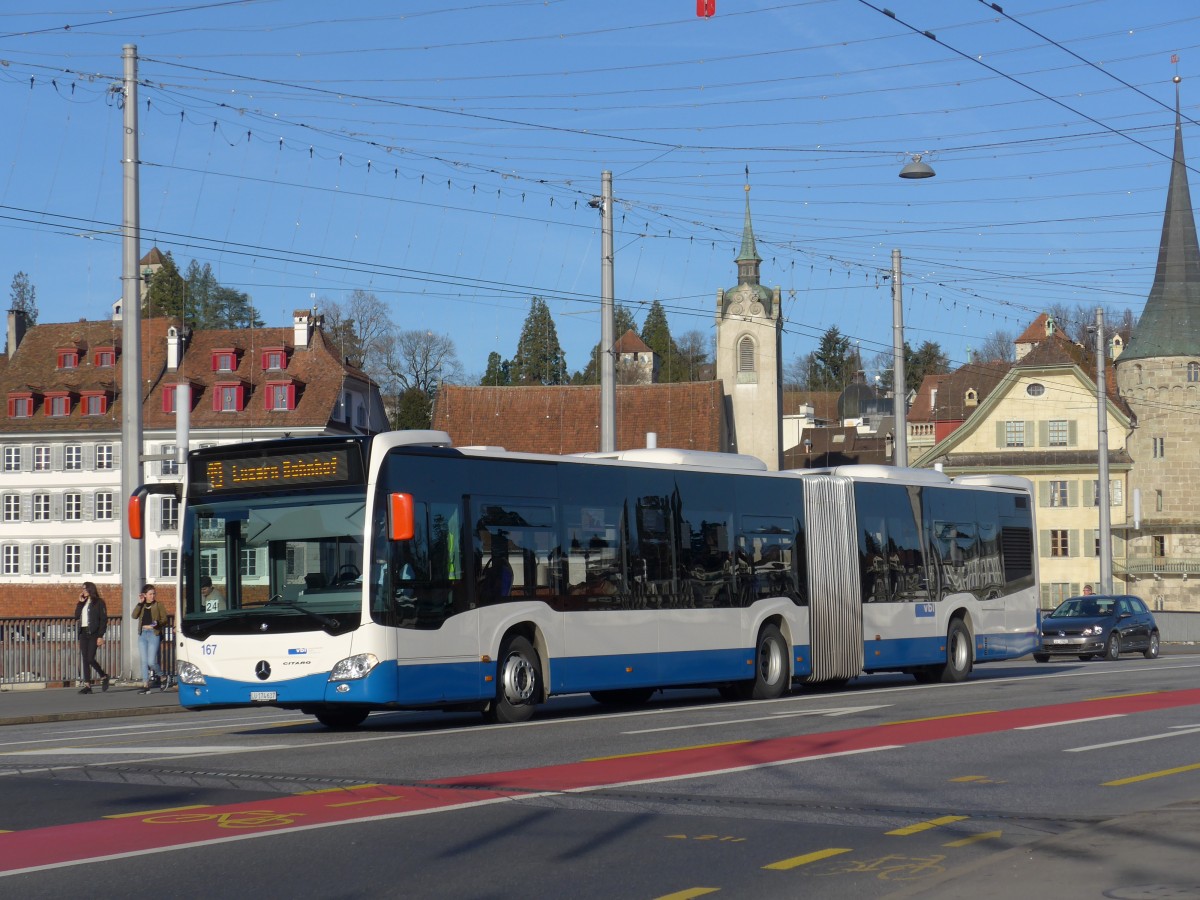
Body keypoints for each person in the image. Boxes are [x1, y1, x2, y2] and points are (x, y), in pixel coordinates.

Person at [132, 584, 169, 693]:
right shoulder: (142, 605)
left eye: (154, 594)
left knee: (151, 661)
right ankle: (146, 685)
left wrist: (157, 623)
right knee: (143, 661)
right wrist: (140, 602)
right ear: (145, 595)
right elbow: (134, 616)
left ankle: (162, 677)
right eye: (150, 594)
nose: (152, 596)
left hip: (153, 633)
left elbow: (165, 619)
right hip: (143, 633)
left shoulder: (158, 605)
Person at [74, 582, 109, 694]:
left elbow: (103, 620)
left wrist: (100, 636)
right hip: (83, 633)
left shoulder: (99, 602)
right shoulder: (83, 602)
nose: (83, 591)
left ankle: (103, 675)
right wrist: (80, 602)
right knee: (85, 659)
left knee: (90, 658)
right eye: (82, 589)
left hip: (93, 633)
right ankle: (87, 685)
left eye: (85, 589)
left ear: (90, 589)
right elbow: (76, 615)